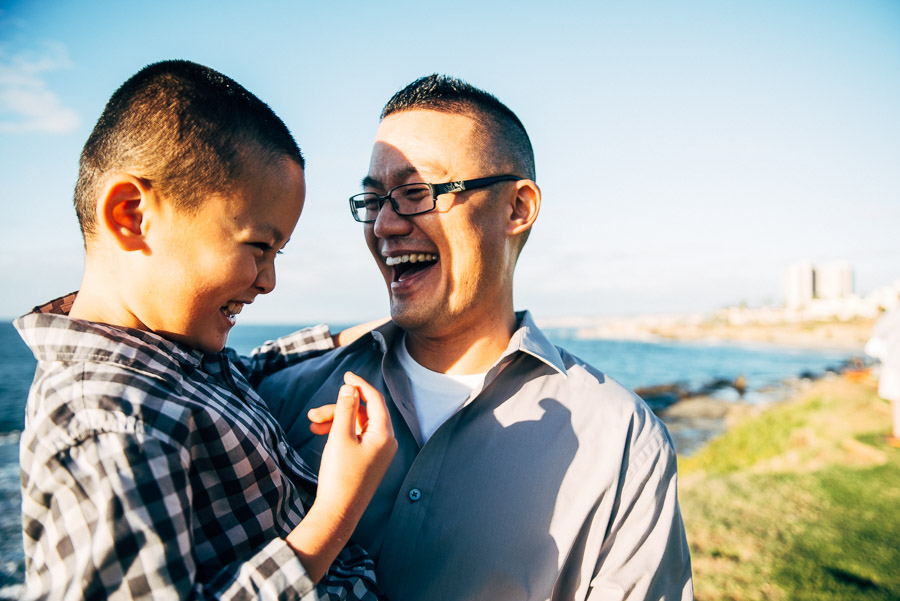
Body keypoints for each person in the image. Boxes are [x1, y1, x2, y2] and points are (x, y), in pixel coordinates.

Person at [258, 74, 693, 600]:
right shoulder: (278, 399)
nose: (384, 226)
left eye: (416, 193)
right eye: (373, 201)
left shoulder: (623, 441)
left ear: (517, 208)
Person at [13, 60, 396, 600]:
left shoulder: (165, 354)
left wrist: (402, 322)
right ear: (131, 216)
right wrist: (337, 509)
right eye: (259, 247)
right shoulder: (107, 424)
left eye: (278, 253)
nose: (268, 281)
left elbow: (245, 369)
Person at [865, 301, 900, 446]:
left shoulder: (895, 313)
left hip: (895, 362)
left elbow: (878, 331)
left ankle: (898, 434)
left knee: (896, 399)